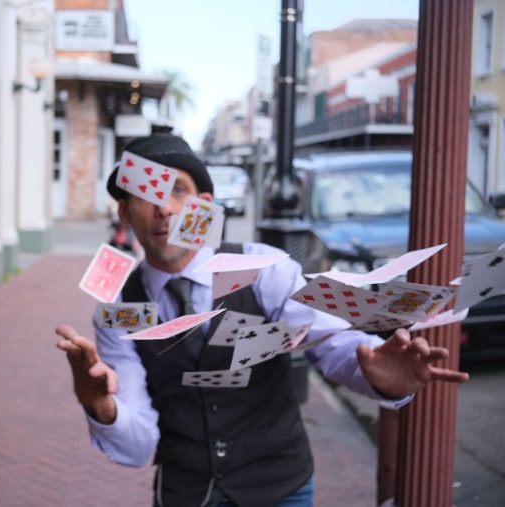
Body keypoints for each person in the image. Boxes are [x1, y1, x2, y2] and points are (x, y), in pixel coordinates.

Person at [56, 132, 469, 506]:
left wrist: (378, 374)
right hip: (185, 491)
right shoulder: (117, 313)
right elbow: (136, 443)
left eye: (178, 190)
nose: (164, 208)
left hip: (280, 487)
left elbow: (330, 340)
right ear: (125, 214)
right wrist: (100, 406)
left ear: (204, 207)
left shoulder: (265, 266)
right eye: (146, 195)